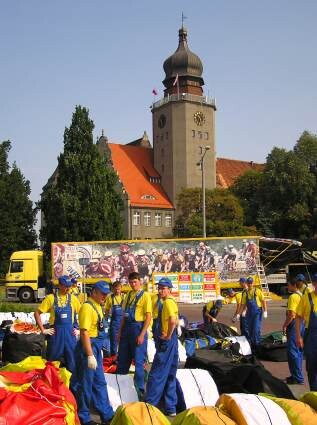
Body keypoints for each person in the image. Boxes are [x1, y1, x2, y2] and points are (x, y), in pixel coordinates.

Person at [71, 280, 114, 425]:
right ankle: (84, 417)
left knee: (99, 383)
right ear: (94, 291)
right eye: (102, 293)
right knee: (85, 384)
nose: (104, 296)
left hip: (95, 348)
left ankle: (107, 414)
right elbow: (84, 333)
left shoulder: (97, 306)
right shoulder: (87, 308)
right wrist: (90, 355)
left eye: (106, 294)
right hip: (87, 349)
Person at [145, 277, 179, 417]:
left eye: (163, 288)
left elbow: (172, 321)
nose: (160, 290)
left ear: (169, 289)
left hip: (166, 342)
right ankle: (170, 408)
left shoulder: (168, 303)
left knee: (156, 374)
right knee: (170, 374)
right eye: (159, 288)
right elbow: (175, 320)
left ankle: (150, 405)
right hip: (172, 342)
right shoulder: (166, 302)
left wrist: (168, 335)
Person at [34, 275, 81, 373]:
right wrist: (43, 329)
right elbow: (37, 313)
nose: (68, 288)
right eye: (65, 286)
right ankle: (50, 384)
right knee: (52, 363)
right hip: (56, 335)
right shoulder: (50, 298)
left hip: (70, 335)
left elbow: (82, 314)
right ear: (59, 285)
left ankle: (72, 386)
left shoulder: (73, 299)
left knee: (73, 362)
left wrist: (79, 329)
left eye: (69, 286)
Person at [117, 271, 152, 395]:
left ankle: (139, 391)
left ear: (140, 282)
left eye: (135, 282)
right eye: (131, 282)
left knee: (138, 362)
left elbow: (148, 317)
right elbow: (123, 316)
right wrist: (119, 332)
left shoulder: (145, 296)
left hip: (138, 329)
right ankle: (121, 387)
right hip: (126, 330)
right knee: (122, 360)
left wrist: (142, 334)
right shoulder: (128, 295)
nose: (133, 284)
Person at [296, 273, 317, 390]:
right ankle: (314, 393)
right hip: (311, 338)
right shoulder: (306, 297)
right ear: (313, 284)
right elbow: (298, 317)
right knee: (312, 367)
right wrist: (299, 336)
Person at [282, 280, 304, 385]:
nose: (287, 286)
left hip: (294, 325)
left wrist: (285, 325)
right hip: (302, 324)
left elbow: (291, 314)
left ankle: (297, 377)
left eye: (289, 284)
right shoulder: (302, 295)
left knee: (292, 352)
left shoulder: (293, 297)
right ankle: (296, 375)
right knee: (298, 352)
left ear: (294, 285)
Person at [237, 277, 267, 351]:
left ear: (253, 283)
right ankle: (252, 346)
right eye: (249, 283)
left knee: (256, 329)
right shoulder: (245, 293)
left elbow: (263, 301)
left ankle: (257, 345)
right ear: (247, 283)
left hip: (257, 312)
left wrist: (265, 311)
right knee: (249, 330)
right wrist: (239, 314)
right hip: (249, 313)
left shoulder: (257, 291)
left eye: (251, 283)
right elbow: (243, 305)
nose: (250, 284)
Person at [104, 281, 124, 355]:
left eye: (118, 289)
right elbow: (106, 310)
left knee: (123, 342)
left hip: (123, 323)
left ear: (121, 288)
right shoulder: (110, 298)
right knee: (113, 342)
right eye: (115, 289)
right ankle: (113, 358)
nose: (117, 291)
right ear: (113, 289)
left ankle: (122, 357)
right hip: (114, 324)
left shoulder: (124, 297)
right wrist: (104, 321)